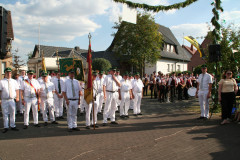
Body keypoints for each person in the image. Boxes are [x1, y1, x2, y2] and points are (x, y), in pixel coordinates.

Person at [0, 68, 20, 133]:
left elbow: (17, 90)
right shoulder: (1, 82)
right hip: (4, 99)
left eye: (10, 73)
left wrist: (17, 97)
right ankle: (6, 127)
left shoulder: (14, 81)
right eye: (7, 73)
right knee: (5, 113)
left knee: (13, 113)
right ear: (5, 73)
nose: (9, 74)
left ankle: (13, 125)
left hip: (12, 99)